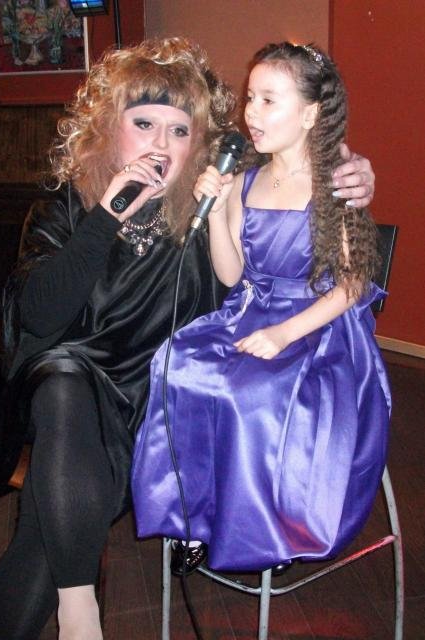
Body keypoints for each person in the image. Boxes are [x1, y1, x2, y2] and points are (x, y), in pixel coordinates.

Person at [0, 38, 375, 639]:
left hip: (160, 407)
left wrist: (347, 163)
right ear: (109, 128)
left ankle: (74, 606)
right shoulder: (68, 208)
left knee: (43, 528)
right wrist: (107, 216)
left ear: (197, 144)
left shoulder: (204, 211)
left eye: (179, 131)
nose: (160, 144)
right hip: (66, 408)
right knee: (63, 382)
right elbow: (39, 318)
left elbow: (284, 177)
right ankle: (81, 611)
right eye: (143, 124)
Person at [131, 42, 391, 577]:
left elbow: (351, 284)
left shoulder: (336, 182)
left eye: (269, 100)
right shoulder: (247, 179)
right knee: (176, 366)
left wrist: (284, 334)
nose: (252, 112)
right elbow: (231, 275)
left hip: (315, 325)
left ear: (311, 114)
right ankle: (195, 518)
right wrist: (218, 207)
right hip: (250, 312)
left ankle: (270, 526)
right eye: (251, 98)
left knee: (249, 394)